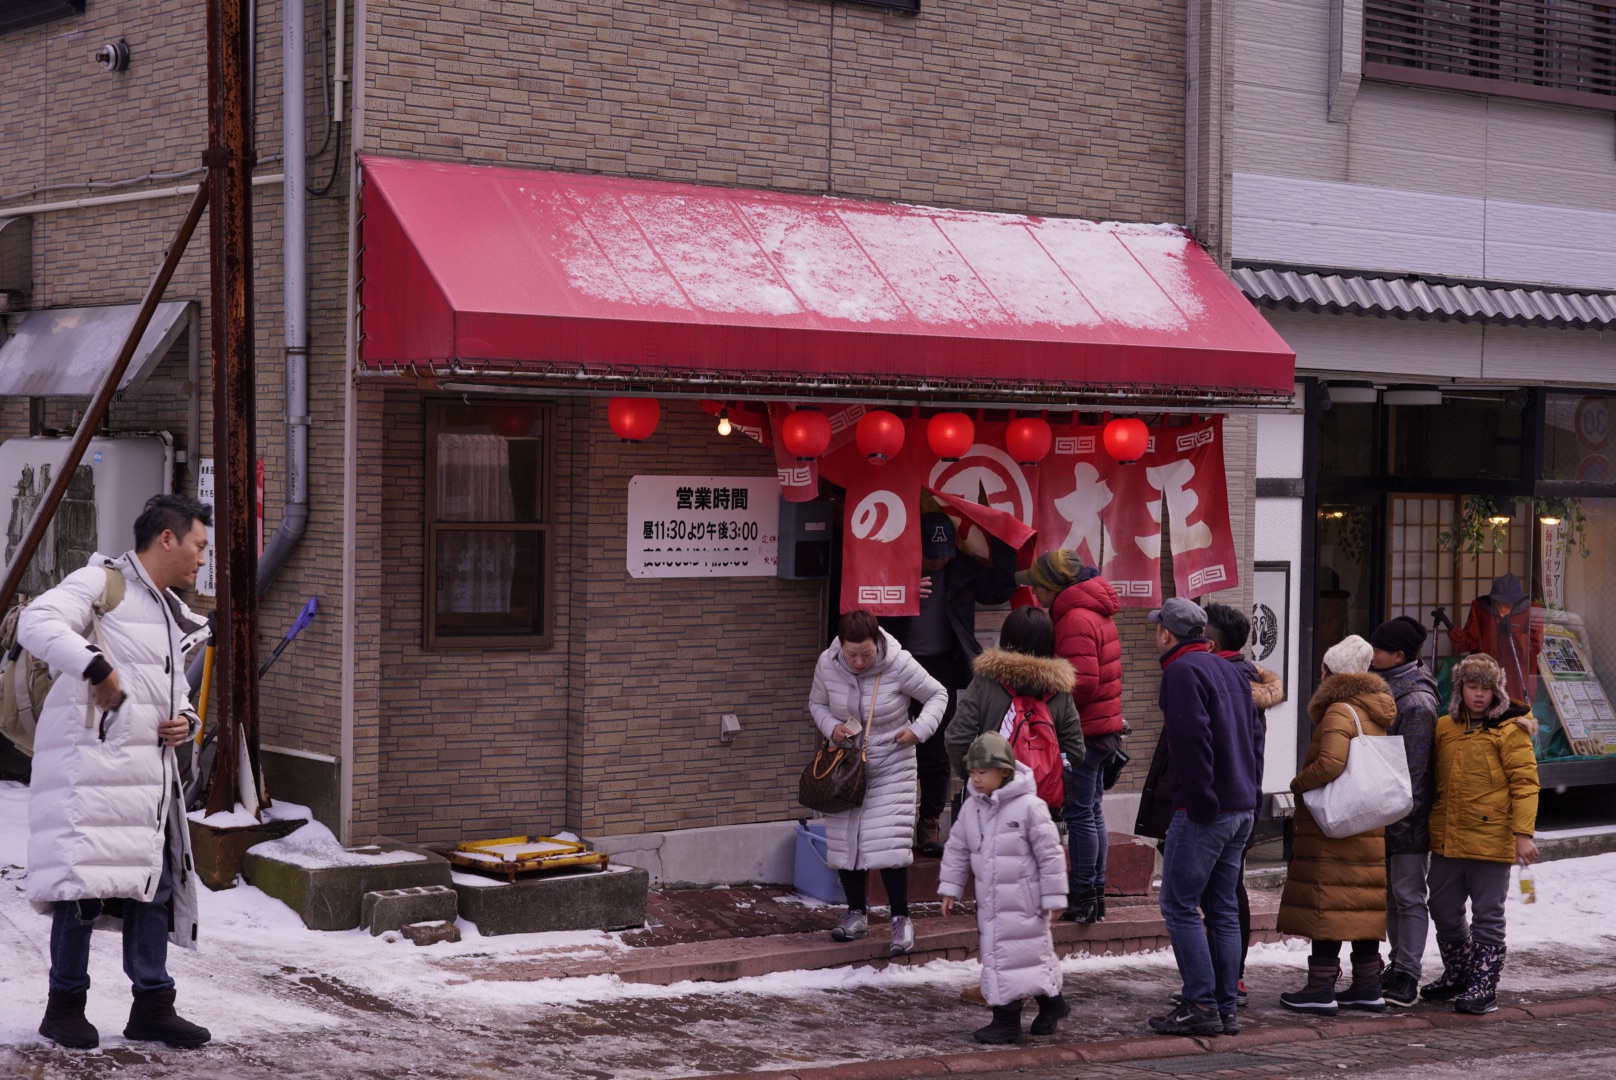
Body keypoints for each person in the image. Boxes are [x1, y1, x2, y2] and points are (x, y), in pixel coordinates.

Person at [22, 495, 213, 1051]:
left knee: (150, 891)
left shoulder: (167, 607)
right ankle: (64, 1006)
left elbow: (171, 688)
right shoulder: (101, 583)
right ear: (168, 539)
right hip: (92, 770)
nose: (203, 558)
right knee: (82, 889)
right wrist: (97, 667)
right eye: (199, 545)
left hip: (146, 777)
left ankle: (153, 1006)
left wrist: (187, 720)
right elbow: (38, 621)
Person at [1146, 597, 1263, 1038]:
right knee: (1223, 908)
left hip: (1204, 811)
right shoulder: (1229, 669)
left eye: (1157, 628)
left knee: (1179, 904)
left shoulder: (1181, 671)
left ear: (1167, 634)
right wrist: (1249, 798)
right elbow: (1254, 740)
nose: (1155, 634)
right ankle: (1224, 1005)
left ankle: (1200, 1002)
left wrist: (1200, 804)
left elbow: (1191, 742)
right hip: (1240, 808)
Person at [808, 609, 948, 956]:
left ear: (878, 645)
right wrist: (831, 728)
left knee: (888, 841)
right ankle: (856, 913)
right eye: (851, 654)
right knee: (847, 840)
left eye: (866, 654)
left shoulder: (898, 662)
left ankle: (901, 918)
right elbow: (816, 703)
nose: (858, 661)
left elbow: (938, 694)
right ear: (840, 645)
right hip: (846, 763)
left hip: (891, 759)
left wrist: (918, 731)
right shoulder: (828, 663)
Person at [1275, 635, 1396, 1016]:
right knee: (1360, 905)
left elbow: (1330, 764)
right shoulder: (1373, 708)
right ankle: (1367, 987)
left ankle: (1320, 987)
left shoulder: (1340, 709)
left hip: (1335, 825)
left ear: (1331, 671)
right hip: (1367, 822)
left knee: (1327, 903)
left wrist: (1296, 785)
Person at [886, 511, 1017, 857]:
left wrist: (1002, 539)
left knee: (937, 747)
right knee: (888, 744)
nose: (941, 559)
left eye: (946, 552)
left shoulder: (960, 569)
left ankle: (928, 823)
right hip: (896, 666)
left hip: (942, 666)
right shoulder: (893, 566)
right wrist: (902, 588)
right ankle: (884, 825)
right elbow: (862, 606)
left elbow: (998, 588)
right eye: (932, 553)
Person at [1418, 653, 1539, 1015]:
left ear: (1497, 690)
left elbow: (1526, 784)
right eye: (1472, 687)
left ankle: (1484, 984)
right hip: (1446, 838)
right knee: (1441, 906)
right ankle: (1459, 972)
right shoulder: (1444, 727)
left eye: (1486, 688)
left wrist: (1523, 833)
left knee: (1488, 914)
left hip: (1491, 841)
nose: (1479, 695)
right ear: (1460, 689)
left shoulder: (1510, 730)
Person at [939, 732, 1068, 1045]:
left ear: (1004, 771)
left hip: (1026, 900)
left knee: (1013, 957)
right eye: (972, 773)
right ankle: (1053, 1004)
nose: (977, 779)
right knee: (1019, 957)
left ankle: (1006, 1022)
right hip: (992, 901)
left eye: (983, 772)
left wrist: (1055, 897)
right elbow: (957, 848)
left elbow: (1050, 855)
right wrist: (950, 887)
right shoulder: (972, 809)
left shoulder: (1030, 808)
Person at [1016, 549, 1123, 924]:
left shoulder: (1074, 616)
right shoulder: (1089, 608)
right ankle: (1095, 892)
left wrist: (1050, 703)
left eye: (1039, 589)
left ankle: (1082, 895)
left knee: (1080, 814)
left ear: (1054, 587)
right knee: (1091, 811)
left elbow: (1083, 683)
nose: (1036, 597)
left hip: (1087, 730)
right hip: (1103, 727)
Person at [1203, 602, 1282, 1005]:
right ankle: (1227, 980)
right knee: (1228, 891)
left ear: (1211, 643)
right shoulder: (1240, 678)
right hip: (1241, 802)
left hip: (1221, 805)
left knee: (1222, 894)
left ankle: (1224, 981)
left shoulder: (1222, 681)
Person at [1367, 615, 1441, 1008]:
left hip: (1405, 817)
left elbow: (1413, 772)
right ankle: (1396, 965)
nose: (1370, 653)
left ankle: (1408, 974)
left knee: (1409, 895)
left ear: (1397, 655)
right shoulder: (1387, 686)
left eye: (1377, 648)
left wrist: (1399, 817)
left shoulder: (1414, 702)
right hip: (1384, 811)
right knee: (1393, 898)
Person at [944, 605, 1085, 793]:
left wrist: (977, 775)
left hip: (991, 798)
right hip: (1041, 800)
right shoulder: (1059, 690)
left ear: (1006, 638)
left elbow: (957, 738)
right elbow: (1075, 751)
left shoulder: (986, 682)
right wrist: (1046, 771)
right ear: (1049, 642)